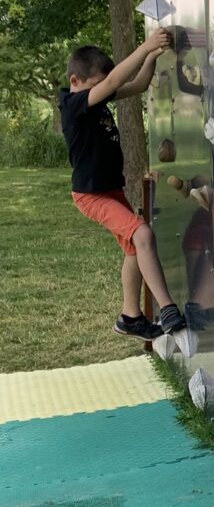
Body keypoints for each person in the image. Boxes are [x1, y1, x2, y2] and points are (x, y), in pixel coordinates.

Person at [58, 35, 187, 341]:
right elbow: (115, 79)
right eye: (97, 85)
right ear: (75, 81)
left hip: (109, 190)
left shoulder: (95, 98)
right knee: (142, 234)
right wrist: (144, 46)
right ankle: (167, 308)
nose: (103, 91)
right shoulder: (74, 104)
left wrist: (152, 56)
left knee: (133, 249)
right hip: (91, 195)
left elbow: (139, 84)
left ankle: (130, 317)